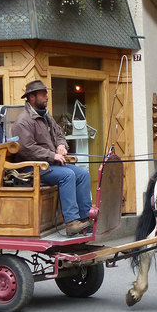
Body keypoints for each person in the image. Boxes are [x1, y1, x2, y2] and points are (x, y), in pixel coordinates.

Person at [14, 79, 92, 236]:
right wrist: (52, 155)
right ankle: (71, 222)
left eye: (46, 94)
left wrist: (62, 145)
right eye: (43, 94)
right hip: (32, 167)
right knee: (67, 175)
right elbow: (27, 148)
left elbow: (59, 134)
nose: (47, 97)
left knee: (82, 174)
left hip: (49, 164)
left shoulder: (46, 116)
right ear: (32, 98)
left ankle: (85, 219)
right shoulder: (23, 121)